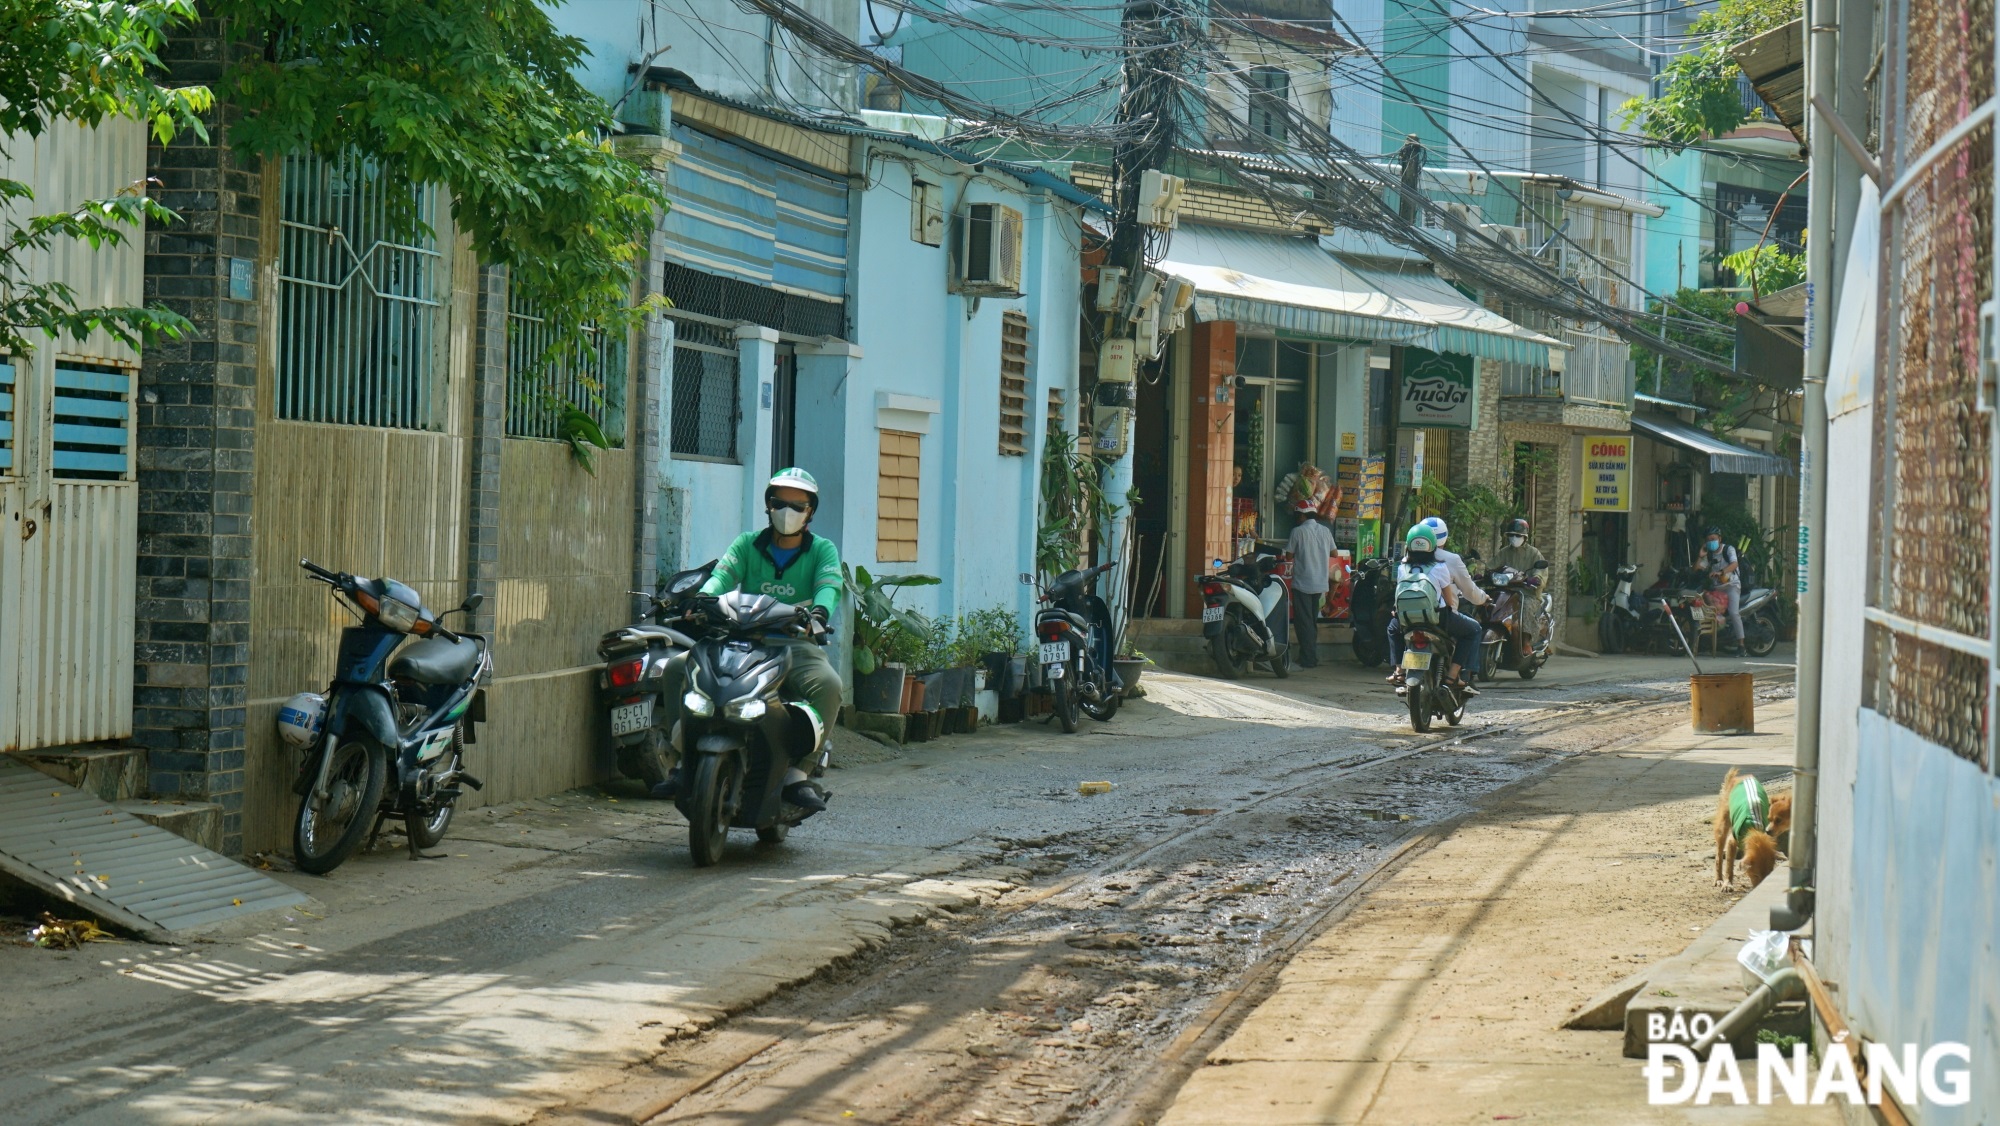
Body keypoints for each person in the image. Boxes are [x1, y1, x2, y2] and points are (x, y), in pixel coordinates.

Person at [692, 468, 844, 811]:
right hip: (742, 642)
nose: (786, 511)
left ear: (810, 512)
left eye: (797, 505)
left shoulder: (823, 550)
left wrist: (819, 613)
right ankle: (681, 756)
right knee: (678, 668)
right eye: (779, 502)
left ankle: (799, 772)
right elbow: (722, 576)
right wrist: (702, 599)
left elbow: (829, 587)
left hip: (794, 644)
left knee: (829, 685)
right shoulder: (747, 544)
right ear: (767, 505)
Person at [1386, 523, 1482, 695]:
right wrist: (1451, 610)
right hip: (1437, 619)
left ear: (1408, 546)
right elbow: (1448, 598)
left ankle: (1399, 670)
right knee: (1474, 629)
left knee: (1392, 629)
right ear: (1433, 547)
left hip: (1406, 620)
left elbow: (1398, 593)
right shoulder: (1440, 567)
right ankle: (1453, 676)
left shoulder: (1402, 567)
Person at [1283, 505, 1337, 668]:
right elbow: (1334, 553)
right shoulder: (1325, 531)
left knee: (1304, 622)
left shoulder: (1298, 531)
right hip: (1320, 584)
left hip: (1303, 583)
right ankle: (1310, 655)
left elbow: (1288, 555)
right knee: (1311, 621)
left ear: (1302, 516)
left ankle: (1308, 658)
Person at [1491, 517, 1547, 642]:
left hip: (1527, 594)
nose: (1514, 538)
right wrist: (1483, 574)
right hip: (1507, 592)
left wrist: (1536, 579)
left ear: (1525, 537)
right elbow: (1491, 566)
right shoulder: (1504, 552)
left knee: (1525, 607)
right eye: (1511, 535)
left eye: (1518, 535)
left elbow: (1541, 571)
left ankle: (1526, 640)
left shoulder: (1534, 553)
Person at [1694, 525, 1745, 656]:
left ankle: (1741, 646)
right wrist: (1700, 556)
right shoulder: (1709, 555)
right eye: (1708, 540)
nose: (1711, 542)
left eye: (1713, 539)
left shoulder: (1728, 549)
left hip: (1731, 586)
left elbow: (1734, 564)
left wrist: (1721, 572)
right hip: (1717, 589)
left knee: (1734, 613)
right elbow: (1696, 569)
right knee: (1703, 604)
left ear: (1719, 539)